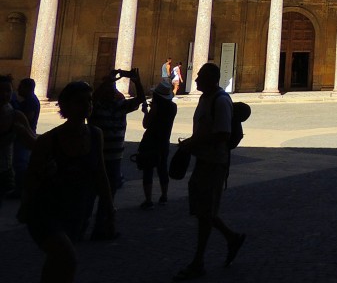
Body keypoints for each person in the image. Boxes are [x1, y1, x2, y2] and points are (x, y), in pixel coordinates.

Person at [19, 81, 115, 283]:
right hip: (46, 210)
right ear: (66, 106)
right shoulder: (48, 140)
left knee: (57, 261)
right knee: (68, 258)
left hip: (76, 209)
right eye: (80, 101)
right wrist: (26, 205)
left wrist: (108, 205)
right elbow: (30, 177)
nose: (87, 105)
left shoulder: (95, 135)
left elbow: (100, 172)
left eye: (89, 100)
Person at [173, 62, 245, 281]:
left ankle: (199, 261)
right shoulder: (206, 99)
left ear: (211, 79)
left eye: (200, 77)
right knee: (202, 210)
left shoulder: (221, 101)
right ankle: (231, 238)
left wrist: (193, 143)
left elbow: (223, 133)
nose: (195, 80)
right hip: (203, 160)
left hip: (214, 162)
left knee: (205, 212)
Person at [88, 68, 145, 239]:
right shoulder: (94, 108)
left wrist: (137, 82)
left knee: (108, 195)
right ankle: (81, 224)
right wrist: (108, 81)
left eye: (115, 89)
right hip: (96, 158)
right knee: (90, 193)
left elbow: (141, 99)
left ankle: (101, 227)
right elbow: (92, 99)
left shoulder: (120, 107)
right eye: (111, 89)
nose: (115, 91)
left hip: (114, 159)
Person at [139, 79, 177, 208]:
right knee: (162, 169)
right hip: (164, 141)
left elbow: (146, 124)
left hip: (151, 141)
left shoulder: (156, 107)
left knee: (148, 170)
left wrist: (146, 111)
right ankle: (164, 196)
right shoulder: (173, 107)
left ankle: (148, 200)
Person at [1, 74, 35, 205]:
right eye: (0, 91)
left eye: (8, 90)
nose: (4, 95)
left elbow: (33, 143)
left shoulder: (16, 116)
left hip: (4, 172)